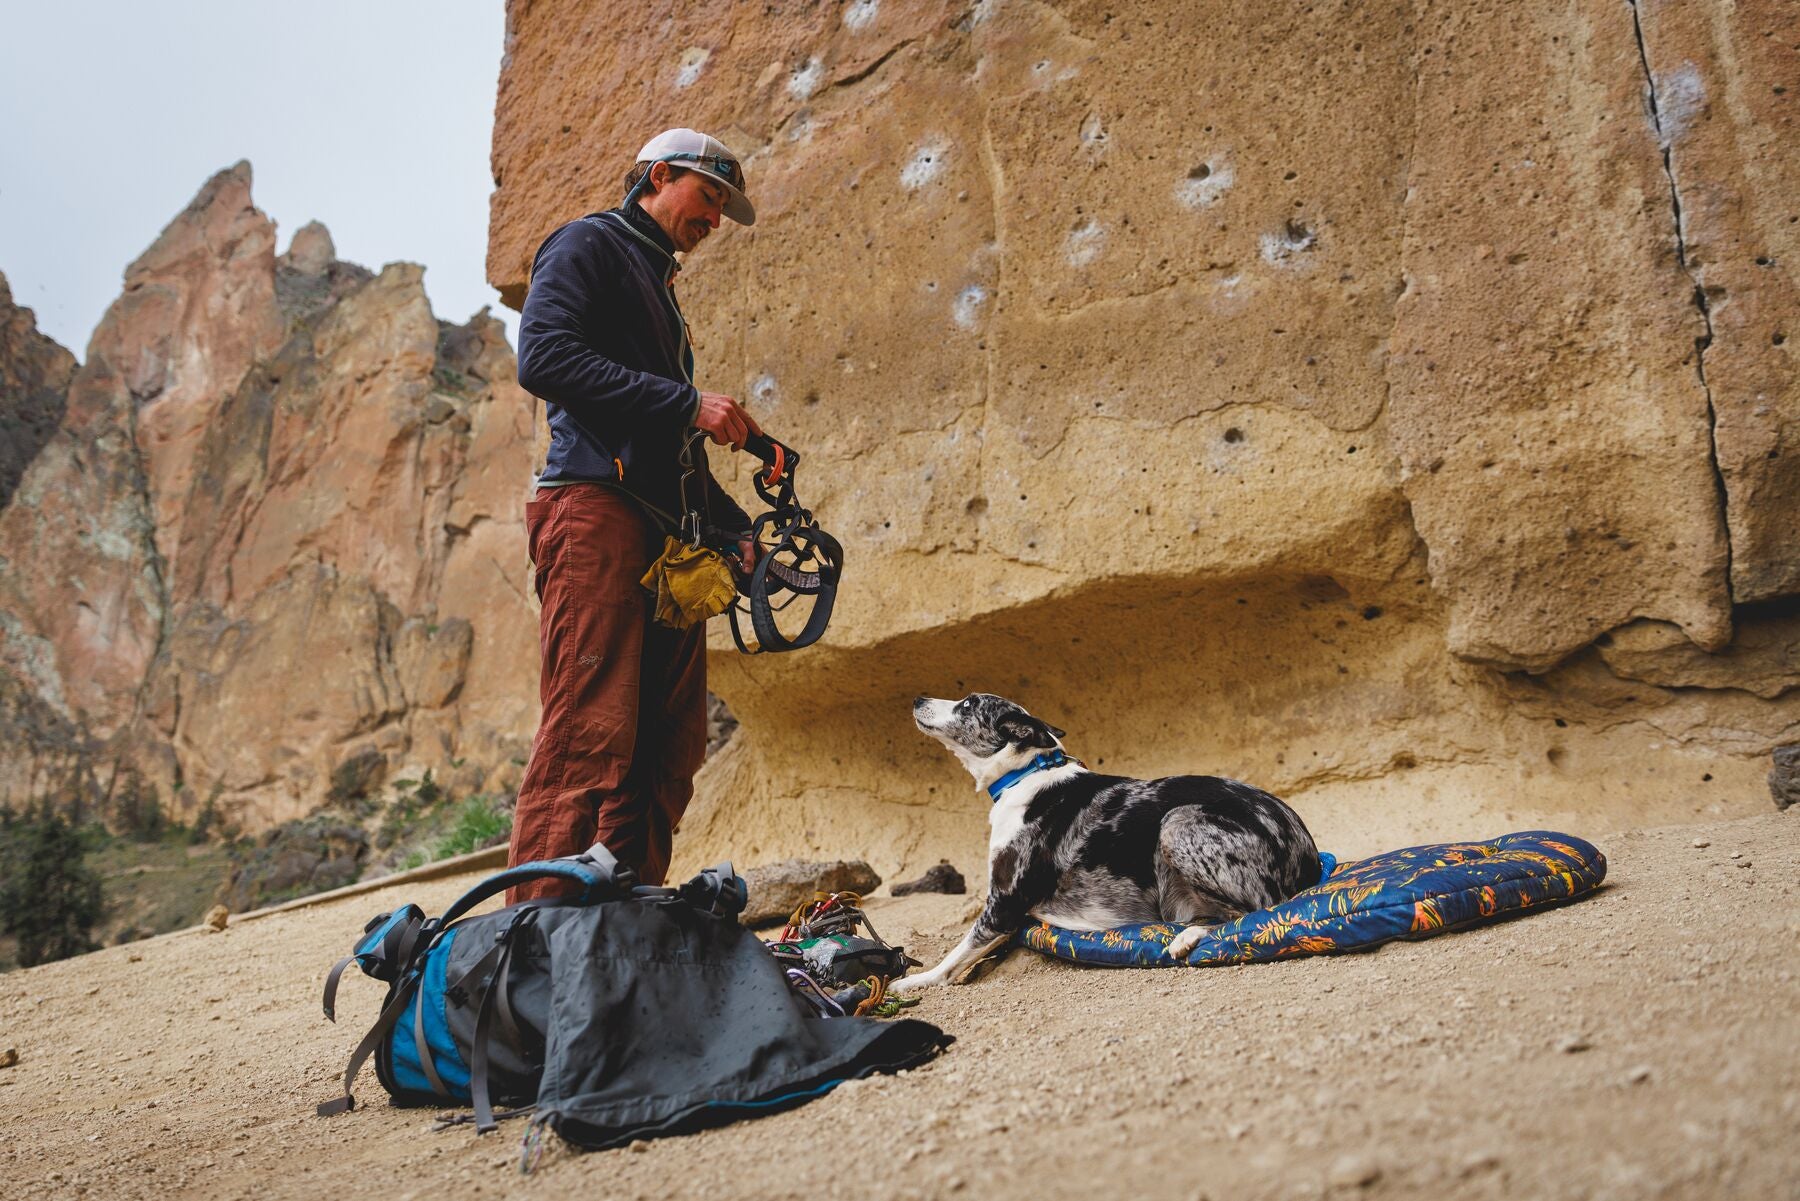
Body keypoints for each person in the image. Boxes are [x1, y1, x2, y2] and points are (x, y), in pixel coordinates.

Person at [506, 128, 763, 902]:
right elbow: (542, 357)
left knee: (665, 747)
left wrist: (734, 529)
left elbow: (664, 445)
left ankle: (619, 928)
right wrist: (688, 401)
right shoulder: (588, 243)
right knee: (593, 732)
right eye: (708, 196)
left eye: (723, 207)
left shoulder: (658, 286)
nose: (714, 220)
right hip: (594, 514)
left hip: (660, 534)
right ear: (657, 177)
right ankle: (533, 944)